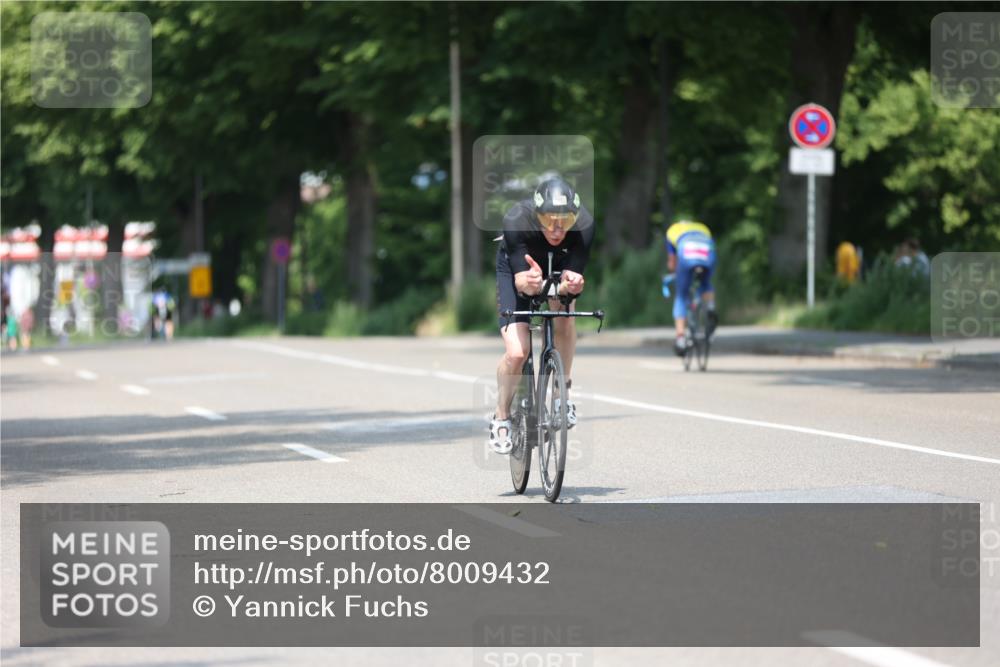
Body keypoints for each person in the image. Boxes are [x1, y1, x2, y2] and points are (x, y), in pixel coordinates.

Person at [489, 177, 595, 455]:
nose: (558, 230)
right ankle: (501, 416)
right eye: (550, 220)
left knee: (566, 317)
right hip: (518, 270)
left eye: (565, 221)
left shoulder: (584, 226)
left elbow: (570, 281)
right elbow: (523, 284)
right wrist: (531, 282)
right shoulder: (516, 220)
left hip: (557, 267)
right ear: (537, 216)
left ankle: (562, 395)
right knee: (516, 352)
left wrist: (569, 285)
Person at [665, 219, 717, 356]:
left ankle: (681, 338)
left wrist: (674, 272)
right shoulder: (703, 227)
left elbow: (672, 262)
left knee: (681, 296)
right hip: (706, 251)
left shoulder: (672, 231)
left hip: (687, 252)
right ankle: (710, 308)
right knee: (706, 283)